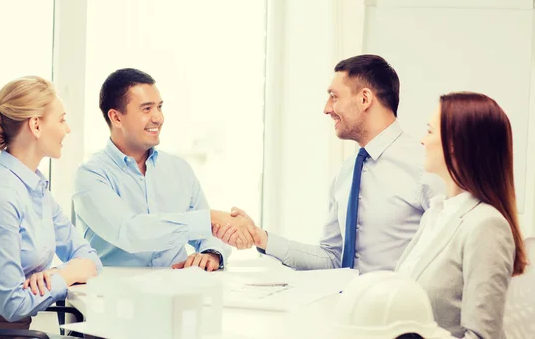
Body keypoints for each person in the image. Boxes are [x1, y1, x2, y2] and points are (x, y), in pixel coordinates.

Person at [213, 54, 444, 273]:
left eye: (334, 96)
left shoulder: (425, 165)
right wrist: (260, 237)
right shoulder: (348, 172)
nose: (326, 108)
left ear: (364, 99)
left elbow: (448, 258)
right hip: (347, 309)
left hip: (400, 310)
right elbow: (333, 259)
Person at [0, 76, 102, 332]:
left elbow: (90, 259)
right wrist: (66, 275)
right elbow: (12, 305)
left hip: (15, 330)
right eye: (61, 119)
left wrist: (57, 273)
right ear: (36, 126)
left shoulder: (36, 190)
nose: (67, 129)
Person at [73, 68, 254, 272]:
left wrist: (211, 253)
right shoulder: (91, 176)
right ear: (116, 118)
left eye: (159, 107)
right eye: (146, 109)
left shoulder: (179, 169)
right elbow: (130, 233)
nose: (158, 118)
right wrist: (209, 218)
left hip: (177, 293)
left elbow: (209, 233)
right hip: (116, 297)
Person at [396, 92, 527, 339]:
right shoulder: (435, 214)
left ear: (455, 143)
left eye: (430, 131)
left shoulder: (487, 225)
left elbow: (482, 336)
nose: (422, 141)